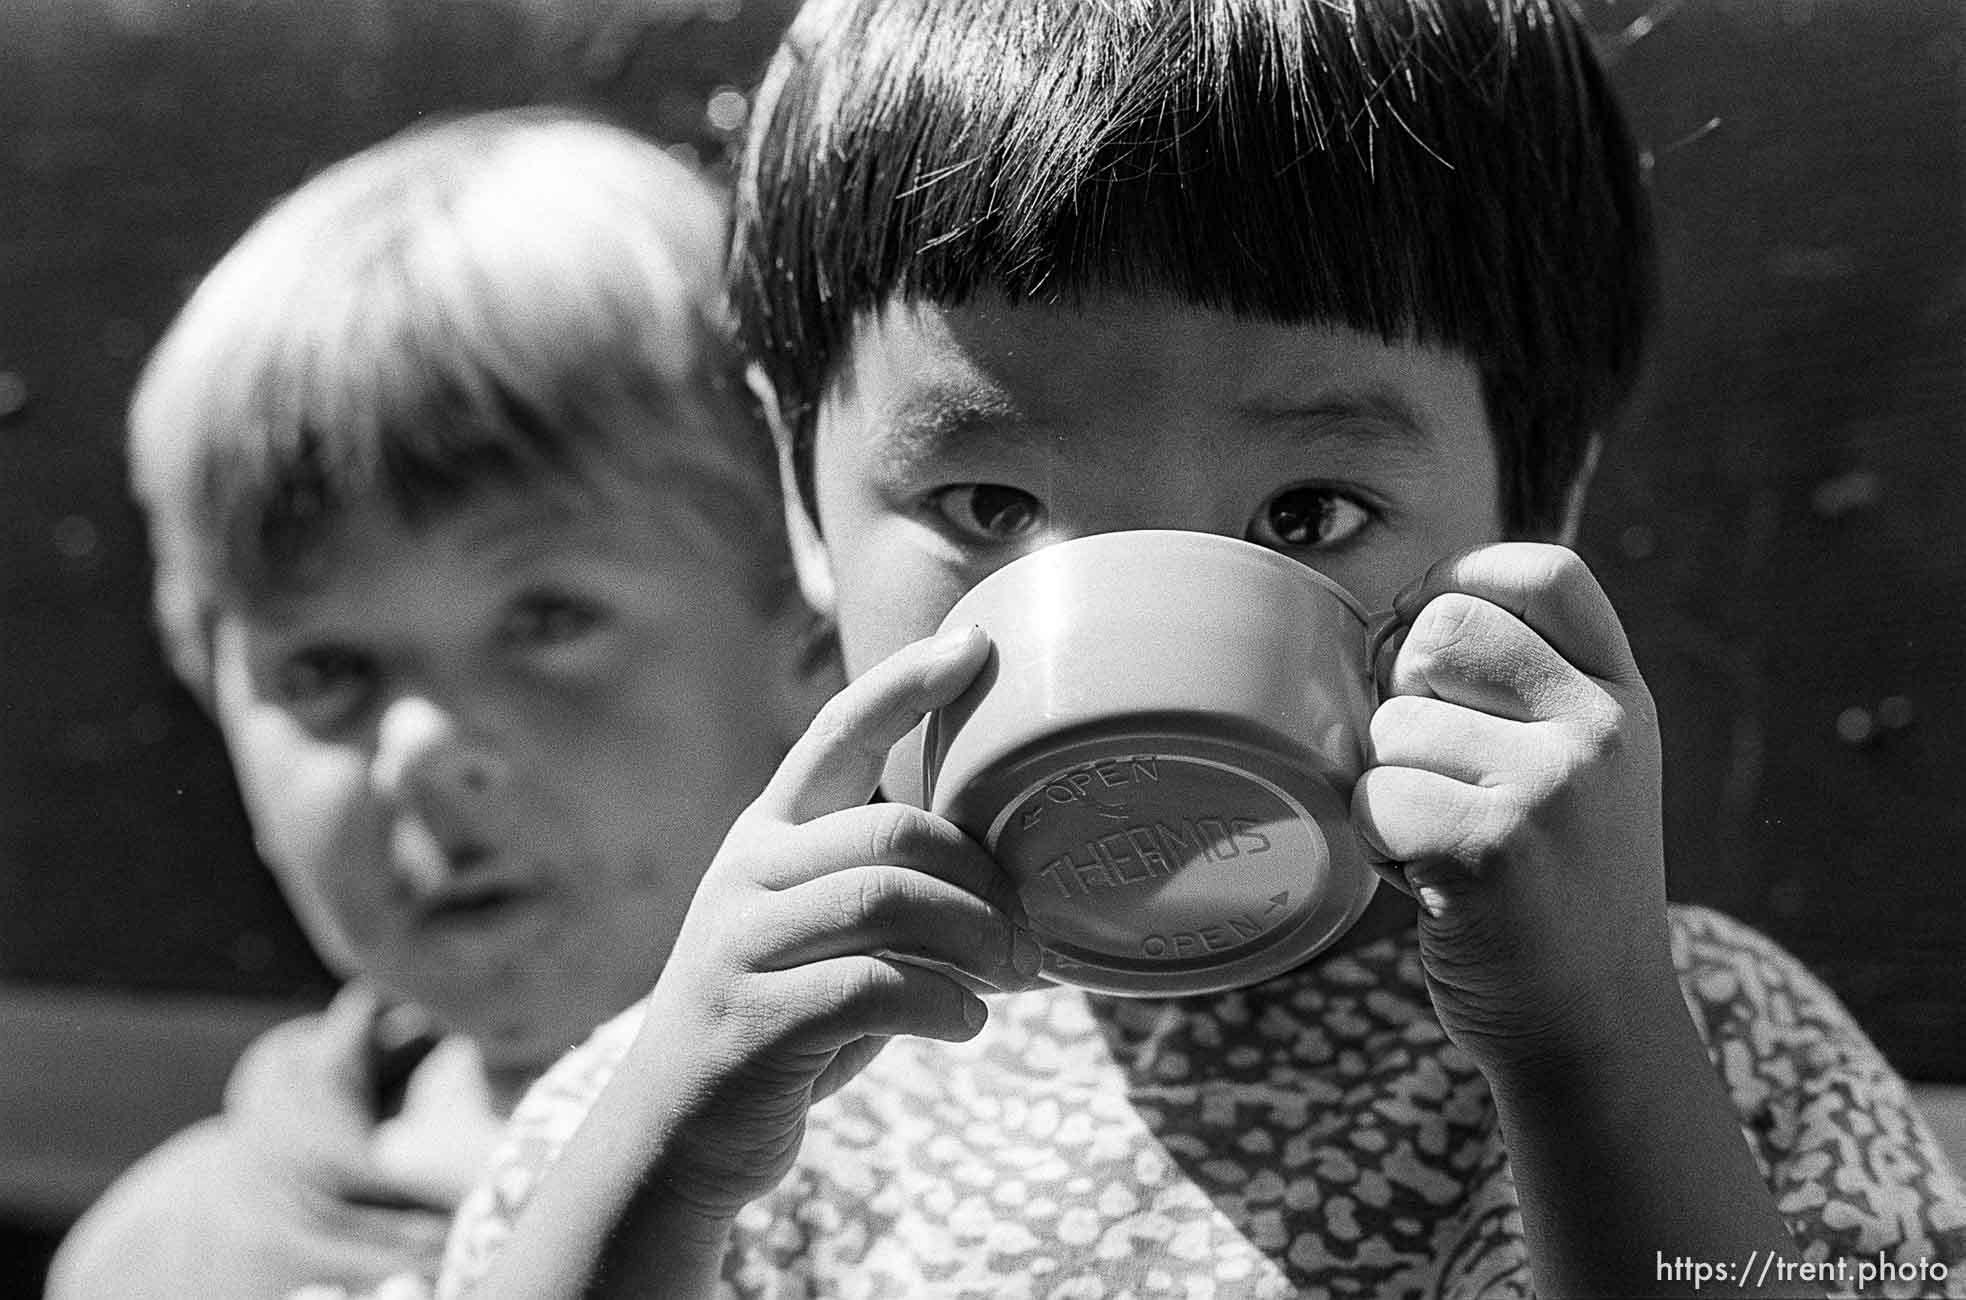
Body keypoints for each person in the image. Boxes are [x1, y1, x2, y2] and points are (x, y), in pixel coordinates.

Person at [432, 1, 1966, 1297]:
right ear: (801, 491)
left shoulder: (1713, 1042)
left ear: (1534, 501)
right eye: (986, 499)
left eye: (1304, 512)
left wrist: (1588, 1045)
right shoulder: (719, 1081)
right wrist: (670, 1156)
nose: (1119, 633)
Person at [44, 106, 833, 1300]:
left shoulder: (982, 1176)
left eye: (546, 621)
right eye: (324, 671)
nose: (415, 750)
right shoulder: (162, 1262)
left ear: (809, 627)